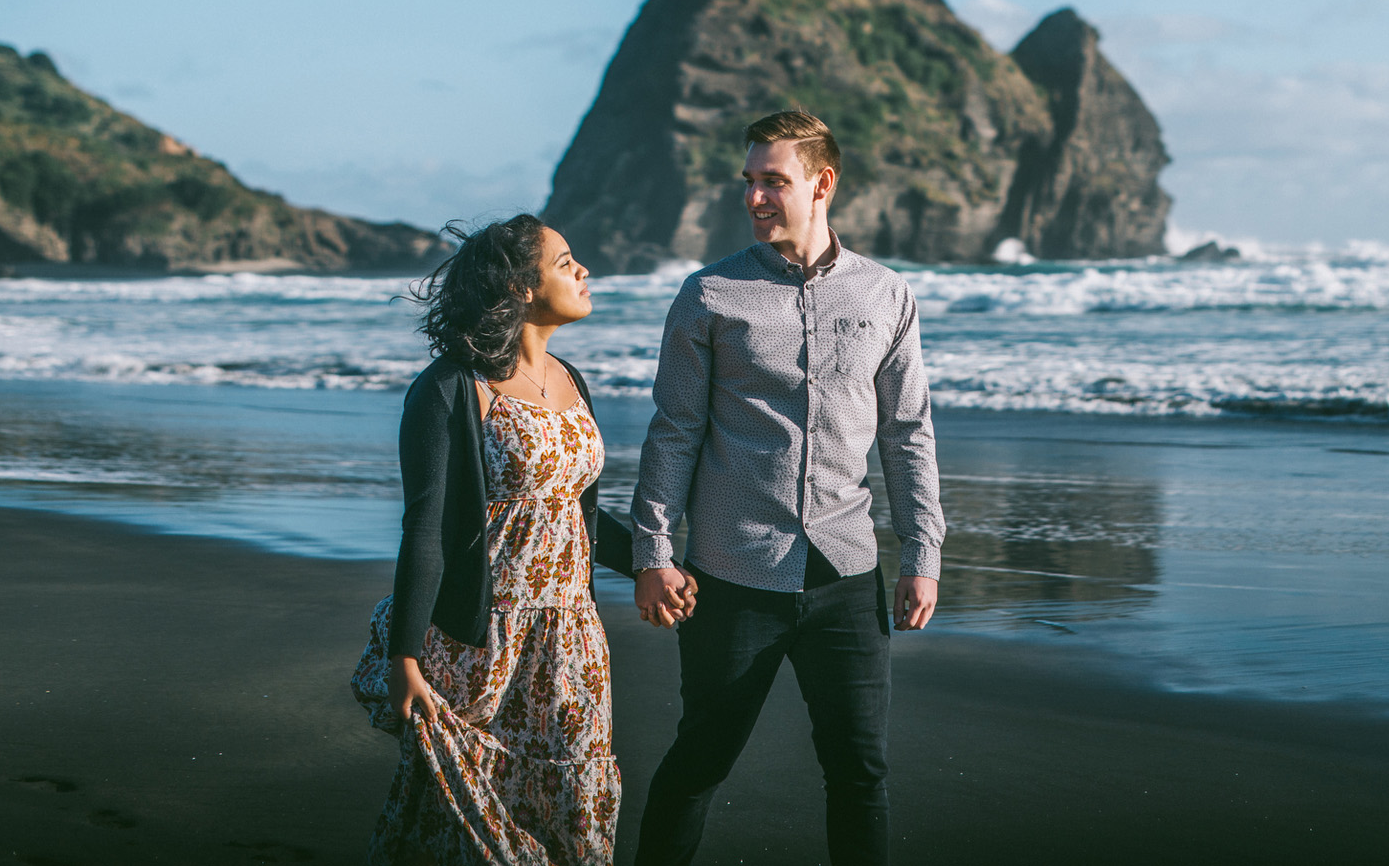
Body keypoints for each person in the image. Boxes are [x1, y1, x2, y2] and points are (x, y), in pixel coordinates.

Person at [628, 110, 946, 866]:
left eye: (774, 180)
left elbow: (908, 432)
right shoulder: (710, 294)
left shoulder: (885, 294)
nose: (756, 197)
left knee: (860, 773)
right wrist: (653, 552)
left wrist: (923, 551)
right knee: (701, 761)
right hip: (733, 574)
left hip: (848, 575)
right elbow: (674, 430)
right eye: (750, 182)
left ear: (822, 183)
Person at [351, 214, 685, 865]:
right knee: (471, 818)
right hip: (486, 641)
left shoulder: (569, 378)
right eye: (565, 263)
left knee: (579, 803)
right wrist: (404, 659)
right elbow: (425, 530)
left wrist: (652, 563)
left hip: (572, 637)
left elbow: (575, 515)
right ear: (519, 287)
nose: (583, 271)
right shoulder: (452, 388)